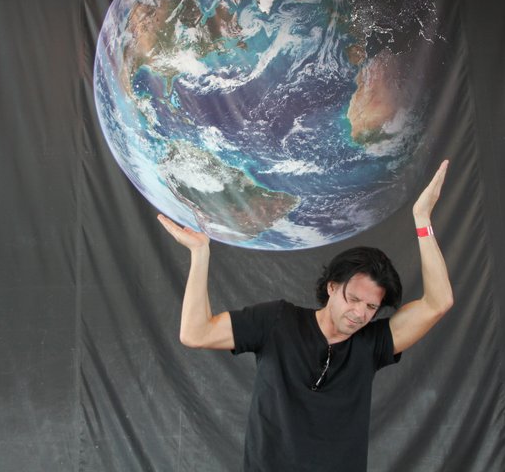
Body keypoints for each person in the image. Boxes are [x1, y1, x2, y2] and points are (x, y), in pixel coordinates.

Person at [157, 160, 453, 471]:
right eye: (353, 299)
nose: (359, 313)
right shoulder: (276, 321)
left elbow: (438, 302)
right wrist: (200, 254)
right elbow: (195, 333)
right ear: (332, 287)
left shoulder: (372, 343)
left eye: (371, 307)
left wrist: (422, 219)